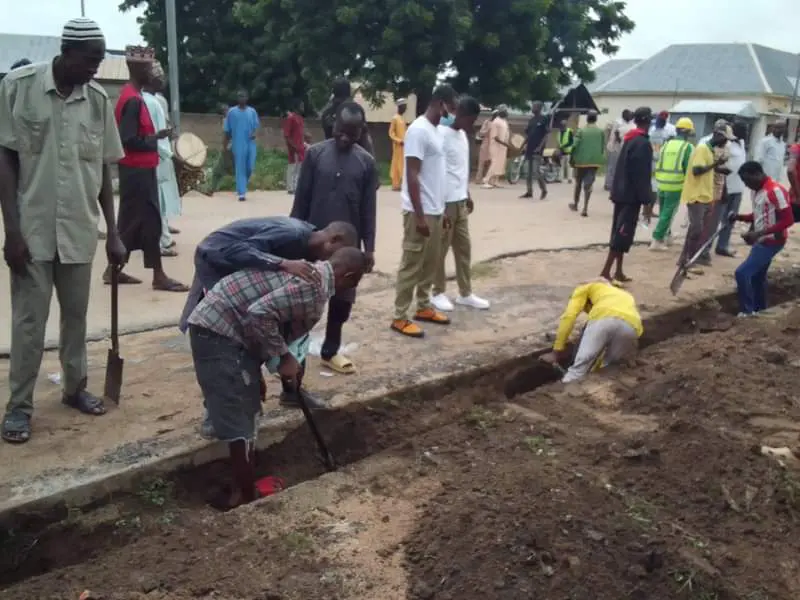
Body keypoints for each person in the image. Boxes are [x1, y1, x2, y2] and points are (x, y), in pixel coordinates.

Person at [0, 18, 127, 444]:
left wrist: (113, 231)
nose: (96, 68)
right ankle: (18, 407)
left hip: (78, 230)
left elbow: (104, 169)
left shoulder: (98, 101)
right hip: (32, 233)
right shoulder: (19, 87)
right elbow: (6, 160)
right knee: (29, 322)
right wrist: (11, 231)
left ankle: (75, 389)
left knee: (76, 319)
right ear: (67, 52)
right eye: (90, 60)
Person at [188, 247, 368, 510]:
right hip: (218, 333)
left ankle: (237, 469)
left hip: (225, 331)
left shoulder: (311, 272)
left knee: (246, 401)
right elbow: (259, 314)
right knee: (242, 417)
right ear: (349, 277)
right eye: (354, 284)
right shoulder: (315, 291)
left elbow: (264, 320)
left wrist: (254, 369)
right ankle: (246, 497)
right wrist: (284, 357)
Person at [179, 217, 359, 437]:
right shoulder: (290, 234)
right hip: (219, 261)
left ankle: (291, 391)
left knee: (283, 325)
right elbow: (236, 250)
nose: (335, 262)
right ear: (334, 240)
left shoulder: (312, 255)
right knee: (226, 338)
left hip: (250, 282)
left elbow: (280, 316)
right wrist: (281, 263)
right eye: (337, 255)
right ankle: (214, 412)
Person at [291, 102, 378, 375]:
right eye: (341, 131)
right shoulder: (315, 155)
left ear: (360, 132)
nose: (344, 137)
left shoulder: (366, 163)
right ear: (334, 126)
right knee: (302, 304)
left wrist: (369, 249)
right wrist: (294, 241)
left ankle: (330, 351)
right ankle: (295, 357)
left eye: (351, 134)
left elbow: (368, 210)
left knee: (342, 304)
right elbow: (300, 201)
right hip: (314, 241)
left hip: (348, 249)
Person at [107, 46, 187, 292]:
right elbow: (127, 139)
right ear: (138, 69)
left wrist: (154, 136)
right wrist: (154, 139)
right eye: (150, 68)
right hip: (137, 171)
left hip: (138, 171)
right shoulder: (132, 100)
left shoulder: (133, 95)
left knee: (138, 222)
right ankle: (158, 276)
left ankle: (115, 271)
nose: (153, 73)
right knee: (146, 221)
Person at [391, 84, 458, 338]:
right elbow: (412, 174)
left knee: (430, 263)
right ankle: (399, 316)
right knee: (412, 264)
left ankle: (423, 307)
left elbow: (437, 174)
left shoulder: (436, 131)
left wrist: (441, 211)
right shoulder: (418, 131)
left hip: (435, 209)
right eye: (450, 108)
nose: (451, 113)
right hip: (419, 212)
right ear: (440, 103)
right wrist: (419, 215)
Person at [431, 96, 490, 312]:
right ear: (461, 114)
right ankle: (436, 292)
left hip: (460, 200)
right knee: (441, 249)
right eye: (471, 119)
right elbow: (438, 172)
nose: (472, 124)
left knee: (464, 248)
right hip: (445, 202)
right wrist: (440, 205)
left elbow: (460, 170)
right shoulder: (442, 135)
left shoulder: (463, 136)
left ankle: (465, 293)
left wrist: (467, 193)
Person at [541, 278, 642, 383]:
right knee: (609, 369)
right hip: (632, 326)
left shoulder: (584, 288)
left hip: (603, 317)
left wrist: (556, 351)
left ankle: (565, 390)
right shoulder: (625, 294)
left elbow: (569, 317)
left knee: (578, 370)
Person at [599, 107, 654, 285]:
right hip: (631, 196)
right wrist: (647, 201)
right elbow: (641, 175)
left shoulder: (630, 139)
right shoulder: (642, 143)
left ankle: (618, 271)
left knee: (620, 232)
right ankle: (606, 271)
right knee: (622, 234)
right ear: (648, 121)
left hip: (621, 193)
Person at [731, 161, 793, 316]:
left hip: (772, 241)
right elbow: (760, 215)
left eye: (747, 181)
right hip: (763, 240)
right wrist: (739, 217)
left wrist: (758, 233)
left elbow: (788, 220)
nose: (746, 185)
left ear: (757, 174)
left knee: (742, 273)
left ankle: (747, 312)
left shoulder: (775, 191)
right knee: (758, 276)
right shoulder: (757, 191)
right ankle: (761, 309)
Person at [676, 123, 733, 273]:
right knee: (696, 229)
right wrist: (716, 163)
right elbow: (697, 170)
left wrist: (719, 169)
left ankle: (685, 259)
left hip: (705, 194)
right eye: (725, 139)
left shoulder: (709, 150)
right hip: (696, 194)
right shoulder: (702, 149)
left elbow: (706, 168)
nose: (726, 143)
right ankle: (689, 260)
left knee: (695, 229)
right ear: (718, 135)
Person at [141, 62, 181, 258]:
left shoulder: (155, 100)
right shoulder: (150, 102)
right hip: (158, 157)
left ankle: (162, 237)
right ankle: (159, 241)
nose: (162, 79)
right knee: (157, 201)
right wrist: (171, 155)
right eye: (159, 75)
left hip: (157, 156)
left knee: (158, 200)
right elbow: (156, 135)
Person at [650, 117, 695, 251]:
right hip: (675, 184)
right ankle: (657, 240)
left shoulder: (667, 144)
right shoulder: (687, 147)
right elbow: (688, 169)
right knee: (668, 213)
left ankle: (667, 236)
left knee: (664, 211)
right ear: (688, 132)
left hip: (661, 182)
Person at [714, 121, 748, 257]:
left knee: (730, 219)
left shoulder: (742, 143)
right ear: (734, 130)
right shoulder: (726, 143)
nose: (746, 132)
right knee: (715, 220)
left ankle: (722, 246)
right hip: (725, 188)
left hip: (738, 187)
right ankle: (704, 250)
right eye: (742, 130)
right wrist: (723, 188)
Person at [320, 77, 374, 156]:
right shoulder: (355, 110)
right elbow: (365, 137)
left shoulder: (327, 113)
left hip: (332, 155)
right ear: (349, 91)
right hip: (355, 155)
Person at [569, 110, 605, 216]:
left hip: (581, 161)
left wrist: (572, 158)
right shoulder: (600, 132)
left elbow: (574, 145)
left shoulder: (581, 131)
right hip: (595, 161)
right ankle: (585, 208)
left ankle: (575, 204)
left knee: (578, 183)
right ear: (596, 119)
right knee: (588, 185)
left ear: (587, 119)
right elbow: (602, 147)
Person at [225, 90, 259, 202]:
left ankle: (242, 185)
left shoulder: (252, 111)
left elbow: (255, 127)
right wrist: (226, 145)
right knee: (240, 167)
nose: (241, 98)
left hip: (250, 143)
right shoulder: (232, 112)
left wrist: (254, 134)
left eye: (243, 96)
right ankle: (241, 192)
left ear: (247, 98)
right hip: (238, 143)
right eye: (239, 96)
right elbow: (227, 130)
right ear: (237, 98)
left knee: (250, 167)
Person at [520, 101, 549, 200]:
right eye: (532, 106)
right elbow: (529, 135)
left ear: (539, 108)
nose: (532, 108)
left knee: (536, 171)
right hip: (529, 148)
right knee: (528, 171)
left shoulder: (544, 119)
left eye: (534, 106)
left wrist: (540, 147)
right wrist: (523, 145)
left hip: (537, 149)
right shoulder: (531, 120)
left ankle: (544, 189)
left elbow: (546, 134)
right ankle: (529, 191)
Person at [648, 110, 677, 207]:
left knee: (654, 183)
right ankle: (649, 209)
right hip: (658, 160)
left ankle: (648, 209)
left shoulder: (654, 130)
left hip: (656, 159)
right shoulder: (655, 130)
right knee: (655, 184)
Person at [481, 104, 510, 188]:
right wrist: (504, 143)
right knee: (495, 163)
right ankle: (486, 180)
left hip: (503, 147)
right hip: (496, 146)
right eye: (504, 111)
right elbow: (495, 137)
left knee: (500, 164)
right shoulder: (496, 122)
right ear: (500, 112)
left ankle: (495, 181)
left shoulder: (504, 121)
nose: (506, 113)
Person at [604, 109, 633, 192]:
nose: (630, 117)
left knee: (621, 167)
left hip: (624, 147)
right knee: (612, 166)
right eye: (628, 116)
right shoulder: (618, 122)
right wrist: (620, 142)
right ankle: (608, 184)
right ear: (624, 115)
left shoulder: (630, 123)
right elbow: (616, 134)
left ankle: (618, 184)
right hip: (614, 147)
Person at [283, 101, 305, 194]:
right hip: (294, 148)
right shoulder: (291, 118)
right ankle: (290, 188)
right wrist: (293, 146)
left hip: (300, 148)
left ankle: (296, 186)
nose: (303, 108)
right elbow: (287, 135)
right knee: (292, 167)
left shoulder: (300, 118)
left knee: (299, 168)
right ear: (297, 107)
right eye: (301, 106)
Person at [389, 98, 408, 190]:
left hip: (404, 146)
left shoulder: (402, 119)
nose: (405, 109)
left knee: (403, 164)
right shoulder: (395, 118)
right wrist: (399, 140)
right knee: (397, 164)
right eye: (404, 107)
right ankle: (395, 184)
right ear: (400, 107)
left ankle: (401, 183)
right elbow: (391, 133)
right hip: (398, 146)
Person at [475, 109, 497, 184]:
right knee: (481, 162)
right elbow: (481, 132)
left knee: (492, 162)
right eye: (495, 115)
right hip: (486, 143)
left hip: (494, 144)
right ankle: (478, 179)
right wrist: (488, 130)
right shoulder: (487, 122)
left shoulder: (498, 123)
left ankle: (489, 180)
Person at [557, 119, 575, 184]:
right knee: (561, 165)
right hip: (561, 152)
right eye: (561, 125)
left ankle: (569, 179)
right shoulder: (559, 132)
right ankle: (560, 179)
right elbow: (558, 141)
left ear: (565, 125)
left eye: (563, 125)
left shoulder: (569, 131)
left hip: (568, 151)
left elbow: (571, 142)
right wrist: (559, 147)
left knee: (568, 166)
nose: (562, 126)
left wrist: (563, 146)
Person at [787, 142, 800, 221]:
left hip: (796, 199)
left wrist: (798, 194)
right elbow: (791, 170)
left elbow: (790, 170)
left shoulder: (796, 147)